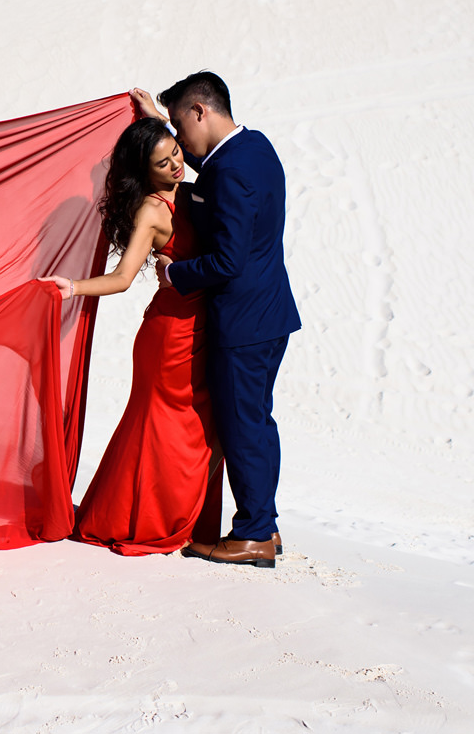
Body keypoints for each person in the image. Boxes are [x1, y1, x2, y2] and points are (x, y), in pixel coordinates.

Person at [134, 72, 300, 568]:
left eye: (181, 124)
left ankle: (253, 534)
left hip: (244, 323)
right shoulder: (254, 148)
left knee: (242, 427)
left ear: (201, 111)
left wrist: (175, 274)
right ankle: (263, 526)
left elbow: (226, 261)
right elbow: (210, 167)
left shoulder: (229, 172)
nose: (180, 140)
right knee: (255, 422)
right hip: (269, 315)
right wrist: (160, 123)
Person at [41, 117, 224, 555]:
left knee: (199, 426)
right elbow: (123, 278)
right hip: (170, 335)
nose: (176, 165)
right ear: (146, 172)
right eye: (163, 163)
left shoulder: (189, 186)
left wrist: (152, 114)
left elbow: (191, 153)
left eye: (176, 153)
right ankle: (141, 518)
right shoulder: (152, 210)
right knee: (164, 427)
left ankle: (174, 514)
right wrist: (74, 287)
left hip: (203, 325)